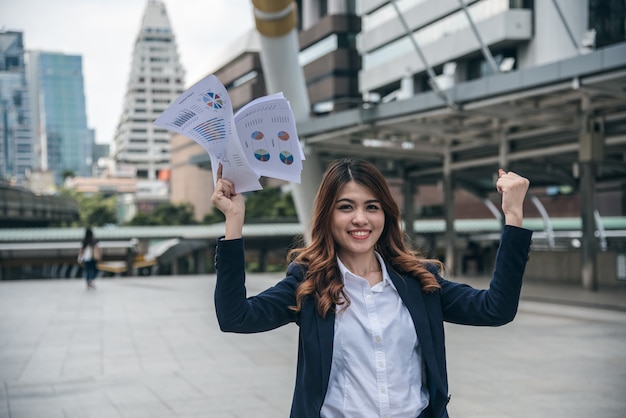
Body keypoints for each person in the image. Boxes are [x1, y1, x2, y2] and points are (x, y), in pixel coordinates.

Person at [211, 158, 532, 418]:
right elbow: (236, 317)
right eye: (346, 207)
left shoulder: (420, 281)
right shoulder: (308, 283)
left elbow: (495, 309)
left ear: (386, 215)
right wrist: (234, 222)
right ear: (328, 215)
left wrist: (514, 216)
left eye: (372, 207)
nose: (360, 219)